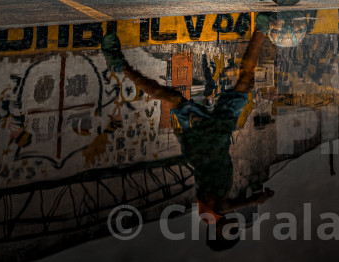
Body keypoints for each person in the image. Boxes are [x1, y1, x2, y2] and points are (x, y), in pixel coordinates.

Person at [101, 15, 273, 251]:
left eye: (231, 233)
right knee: (245, 82)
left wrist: (255, 200)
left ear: (217, 232)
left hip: (199, 139)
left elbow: (222, 207)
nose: (235, 227)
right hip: (220, 133)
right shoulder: (222, 209)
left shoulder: (209, 216)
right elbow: (227, 204)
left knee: (172, 97)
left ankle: (119, 64)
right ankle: (261, 28)